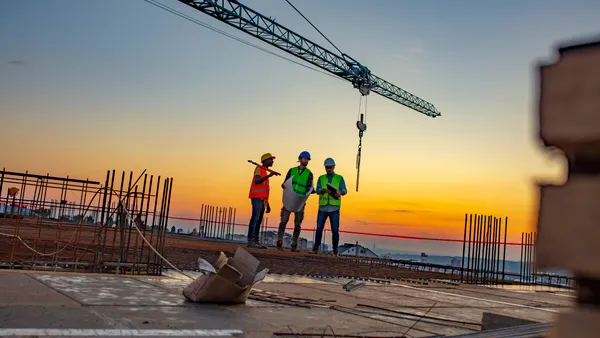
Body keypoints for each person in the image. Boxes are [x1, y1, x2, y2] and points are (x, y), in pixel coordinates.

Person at [276, 151, 314, 251]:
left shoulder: (309, 174)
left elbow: (309, 187)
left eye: (307, 159)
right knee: (283, 222)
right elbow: (286, 182)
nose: (306, 161)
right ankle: (279, 242)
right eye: (304, 159)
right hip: (289, 200)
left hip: (300, 202)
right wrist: (283, 185)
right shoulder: (292, 170)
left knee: (297, 225)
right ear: (300, 159)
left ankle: (294, 245)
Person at [312, 157, 347, 255]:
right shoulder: (321, 178)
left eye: (330, 167)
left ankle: (335, 249)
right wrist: (323, 190)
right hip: (323, 207)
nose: (328, 169)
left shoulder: (339, 178)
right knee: (319, 228)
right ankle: (316, 248)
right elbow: (318, 190)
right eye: (327, 167)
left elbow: (344, 190)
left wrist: (340, 192)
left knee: (335, 230)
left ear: (334, 167)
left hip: (334, 208)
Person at [247, 153, 277, 248]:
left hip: (262, 200)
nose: (272, 161)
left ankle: (255, 241)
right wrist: (268, 176)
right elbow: (257, 181)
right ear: (265, 161)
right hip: (256, 197)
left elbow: (265, 191)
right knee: (255, 219)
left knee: (259, 220)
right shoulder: (259, 169)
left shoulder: (264, 171)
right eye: (270, 160)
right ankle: (251, 241)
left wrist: (267, 204)